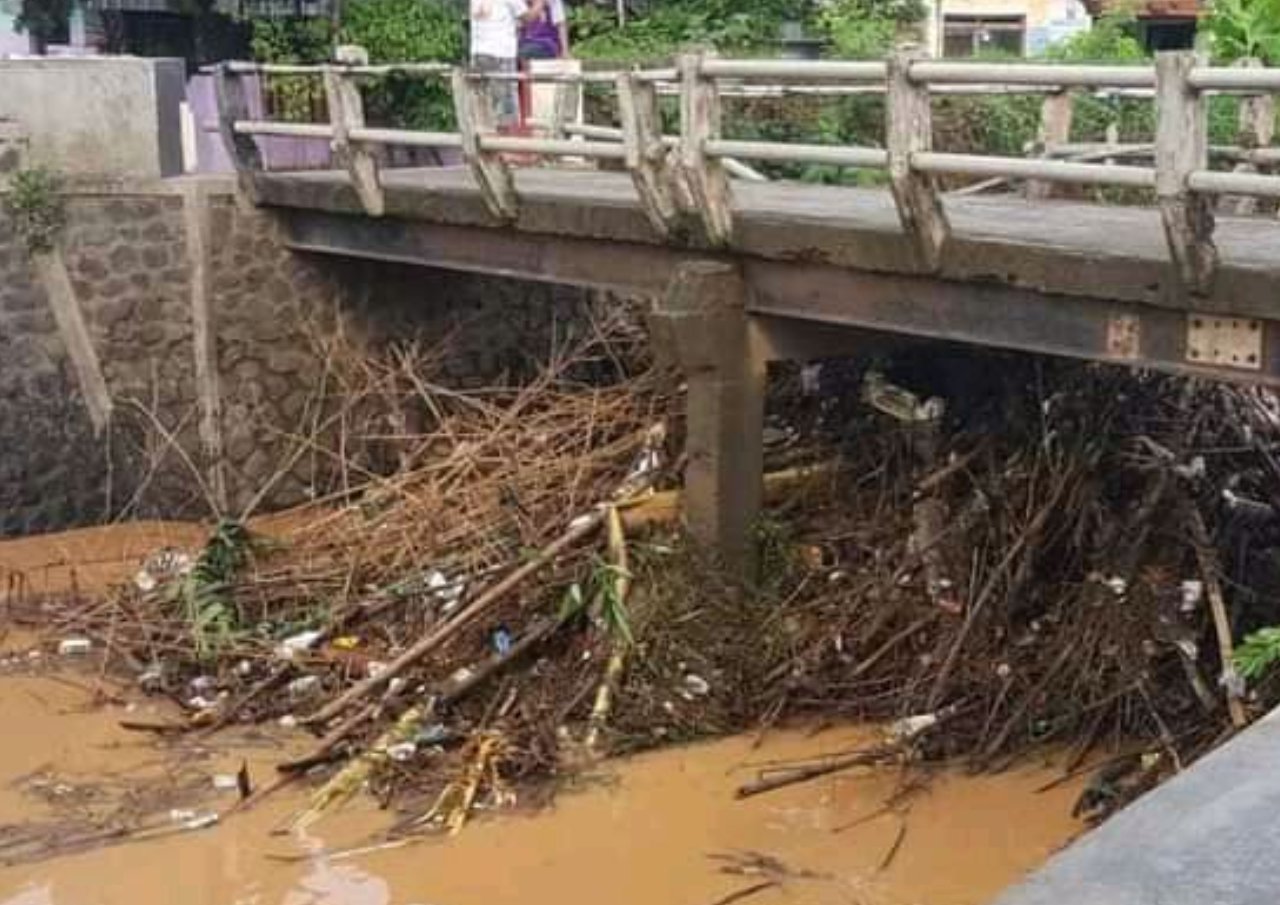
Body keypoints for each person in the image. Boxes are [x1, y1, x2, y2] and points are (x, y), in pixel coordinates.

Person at [469, 0, 544, 129]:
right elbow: (527, 17)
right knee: (505, 110)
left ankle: (485, 144)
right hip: (501, 54)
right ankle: (504, 145)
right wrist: (540, 4)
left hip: (478, 53)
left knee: (483, 110)